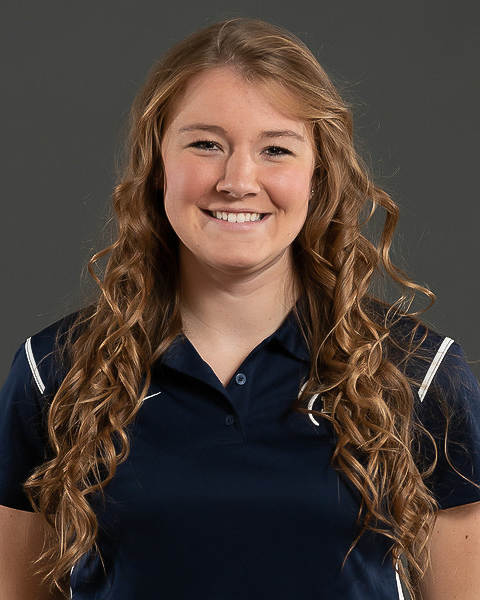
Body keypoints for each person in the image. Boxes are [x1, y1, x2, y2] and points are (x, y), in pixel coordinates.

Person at [0, 18, 479, 600]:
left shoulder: (420, 372)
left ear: (318, 173)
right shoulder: (55, 371)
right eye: (206, 144)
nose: (237, 181)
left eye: (276, 149)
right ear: (157, 163)